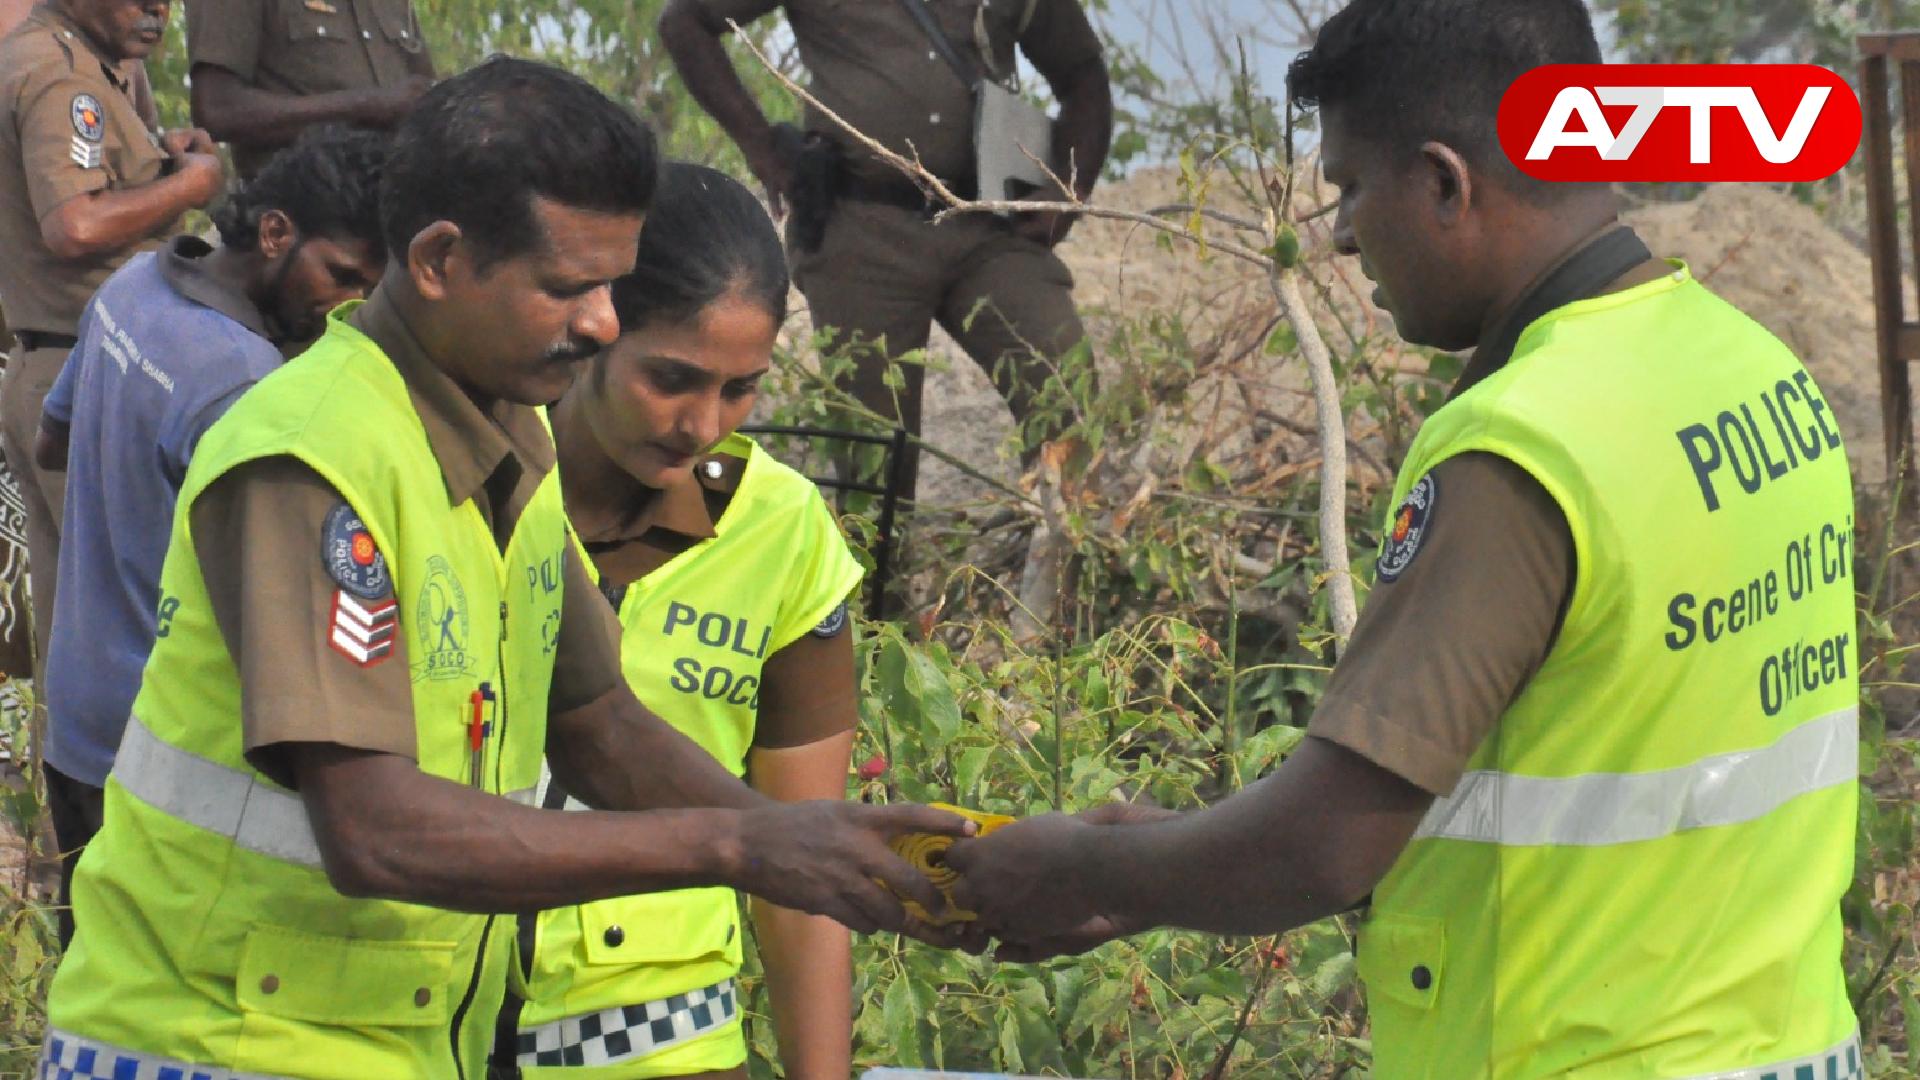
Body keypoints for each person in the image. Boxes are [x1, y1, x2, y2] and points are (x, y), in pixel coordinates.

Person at [947, 2, 1864, 1077]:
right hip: (1794, 1048)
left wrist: (1092, 872)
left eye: (1347, 188)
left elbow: (1325, 843)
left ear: (1443, 182)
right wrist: (1168, 846)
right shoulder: (1755, 368)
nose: (1336, 233)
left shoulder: (1526, 444)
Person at [39, 57, 969, 1080]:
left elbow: (598, 725)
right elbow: (376, 832)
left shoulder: (508, 441)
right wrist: (737, 850)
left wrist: (827, 852)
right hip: (209, 1043)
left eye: (615, 285)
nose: (604, 322)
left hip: (373, 1046)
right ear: (439, 259)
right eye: (570, 287)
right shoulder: (312, 456)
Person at [495, 163, 863, 1080]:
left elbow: (799, 861)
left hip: (663, 1040)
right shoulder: (477, 480)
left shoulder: (783, 534)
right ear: (596, 324)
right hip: (433, 1016)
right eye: (672, 378)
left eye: (742, 389)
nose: (703, 423)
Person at [31, 125, 391, 948]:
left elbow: (56, 442)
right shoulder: (247, 383)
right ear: (275, 232)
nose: (349, 305)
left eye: (369, 287)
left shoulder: (131, 286)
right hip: (162, 749)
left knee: (85, 981)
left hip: (79, 710)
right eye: (340, 275)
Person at [658, 0, 1112, 502]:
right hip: (860, 228)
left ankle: (1066, 565)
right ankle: (881, 579)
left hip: (991, 223)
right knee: (872, 454)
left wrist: (1069, 189)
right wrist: (759, 146)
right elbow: (686, 22)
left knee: (1066, 398)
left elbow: (1082, 72)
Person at [0, 0, 224, 691]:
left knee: (76, 640)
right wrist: (191, 186)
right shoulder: (60, 76)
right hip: (84, 370)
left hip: (70, 364)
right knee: (128, 637)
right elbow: (73, 225)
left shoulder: (93, 63)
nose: (158, 9)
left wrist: (163, 162)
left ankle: (70, 795)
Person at [184, 0, 436, 178]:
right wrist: (365, 107)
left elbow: (424, 93)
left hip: (401, 212)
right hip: (303, 226)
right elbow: (217, 110)